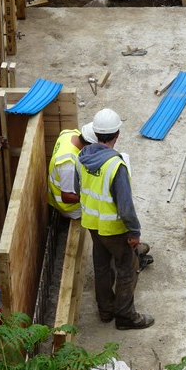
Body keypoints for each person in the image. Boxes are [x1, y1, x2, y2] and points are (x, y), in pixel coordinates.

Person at [74, 108, 154, 330]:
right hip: (114, 229)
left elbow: (76, 188)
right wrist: (134, 232)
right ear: (117, 134)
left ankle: (105, 311)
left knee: (101, 267)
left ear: (96, 133)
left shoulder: (82, 158)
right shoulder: (116, 165)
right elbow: (126, 208)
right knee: (127, 268)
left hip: (92, 224)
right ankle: (126, 317)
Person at [47, 118, 99, 220]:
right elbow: (67, 197)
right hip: (69, 208)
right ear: (89, 146)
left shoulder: (68, 134)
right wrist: (93, 196)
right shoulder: (69, 164)